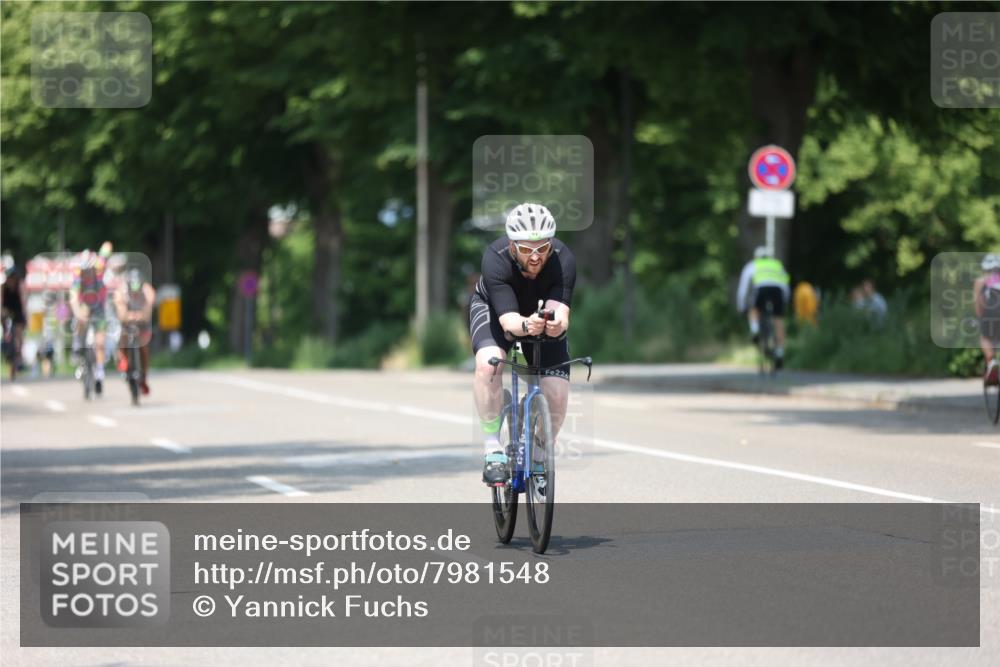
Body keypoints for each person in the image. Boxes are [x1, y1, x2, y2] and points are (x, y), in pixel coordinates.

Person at [470, 203, 576, 485]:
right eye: (527, 248)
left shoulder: (563, 258)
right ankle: (493, 449)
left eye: (542, 247)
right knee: (488, 364)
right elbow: (509, 322)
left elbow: (561, 313)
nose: (535, 256)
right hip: (498, 312)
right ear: (512, 244)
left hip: (537, 314)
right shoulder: (496, 257)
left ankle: (541, 456)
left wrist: (555, 324)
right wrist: (527, 325)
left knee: (557, 393)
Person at [737, 246, 790, 369]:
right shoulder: (777, 264)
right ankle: (779, 354)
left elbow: (743, 288)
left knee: (753, 309)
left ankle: (755, 331)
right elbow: (786, 285)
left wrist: (741, 305)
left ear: (756, 256)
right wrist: (785, 301)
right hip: (778, 291)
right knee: (778, 321)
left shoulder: (753, 265)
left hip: (762, 289)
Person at [69, 249, 109, 395]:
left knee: (99, 342)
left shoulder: (99, 271)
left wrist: (105, 249)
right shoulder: (77, 278)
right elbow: (73, 297)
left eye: (89, 270)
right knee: (81, 317)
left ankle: (99, 374)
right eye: (84, 270)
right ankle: (78, 347)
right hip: (84, 305)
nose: (86, 273)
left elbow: (106, 250)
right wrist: (78, 313)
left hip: (99, 307)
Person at [113, 267, 156, 395]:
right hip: (127, 321)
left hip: (142, 322)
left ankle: (144, 376)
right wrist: (128, 315)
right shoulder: (121, 291)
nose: (135, 294)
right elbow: (121, 312)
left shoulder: (147, 290)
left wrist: (143, 314)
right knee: (122, 338)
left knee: (144, 348)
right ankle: (123, 359)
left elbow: (149, 308)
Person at [975, 253, 1000, 385]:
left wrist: (980, 319)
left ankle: (991, 361)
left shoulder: (981, 281)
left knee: (985, 337)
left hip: (991, 312)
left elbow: (979, 303)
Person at [1, 260, 27, 380]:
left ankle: (19, 354)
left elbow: (23, 301)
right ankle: (5, 341)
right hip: (6, 310)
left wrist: (24, 314)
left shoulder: (19, 285)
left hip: (17, 310)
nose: (11, 279)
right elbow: (0, 301)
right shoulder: (3, 286)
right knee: (4, 327)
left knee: (18, 332)